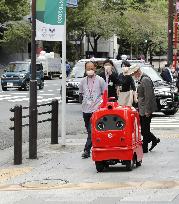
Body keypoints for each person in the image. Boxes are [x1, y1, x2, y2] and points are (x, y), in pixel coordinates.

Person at [129, 64, 160, 153]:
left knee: (145, 129)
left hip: (146, 108)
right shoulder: (142, 79)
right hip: (142, 108)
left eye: (133, 74)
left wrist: (147, 110)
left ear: (137, 72)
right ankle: (153, 140)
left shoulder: (145, 79)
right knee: (144, 129)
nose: (133, 76)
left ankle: (146, 146)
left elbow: (149, 96)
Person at [79, 61, 106, 159]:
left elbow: (105, 94)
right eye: (87, 68)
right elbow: (80, 94)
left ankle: (87, 150)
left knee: (92, 130)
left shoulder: (100, 80)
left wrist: (103, 107)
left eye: (91, 68)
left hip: (96, 109)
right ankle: (96, 146)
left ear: (95, 68)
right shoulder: (82, 81)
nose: (90, 70)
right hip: (86, 109)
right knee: (89, 130)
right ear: (85, 69)